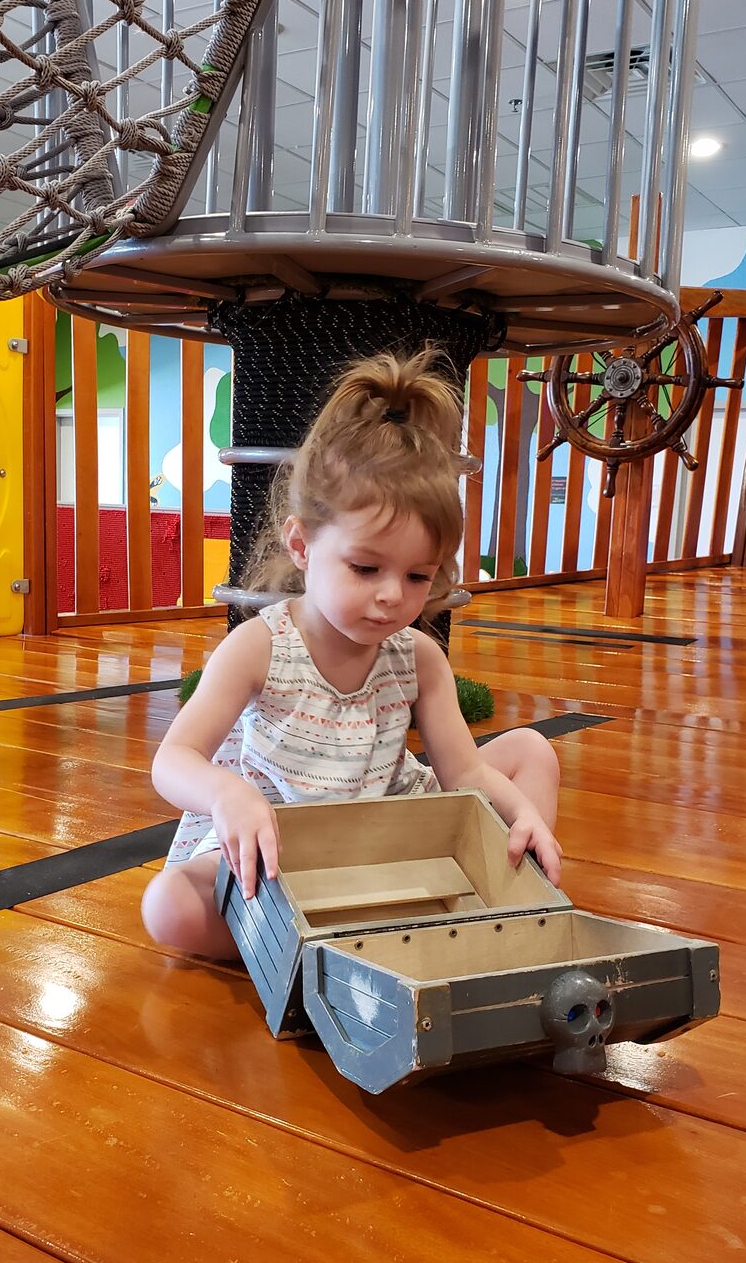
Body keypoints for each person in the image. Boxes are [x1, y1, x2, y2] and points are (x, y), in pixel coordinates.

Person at [141, 347, 562, 960]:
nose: (393, 596)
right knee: (168, 906)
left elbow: (465, 774)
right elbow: (172, 761)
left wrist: (524, 813)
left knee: (530, 751)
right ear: (303, 543)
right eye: (365, 567)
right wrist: (228, 796)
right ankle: (347, 935)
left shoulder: (418, 655)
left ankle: (507, 891)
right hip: (283, 849)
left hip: (390, 838)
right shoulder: (260, 645)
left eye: (420, 576)